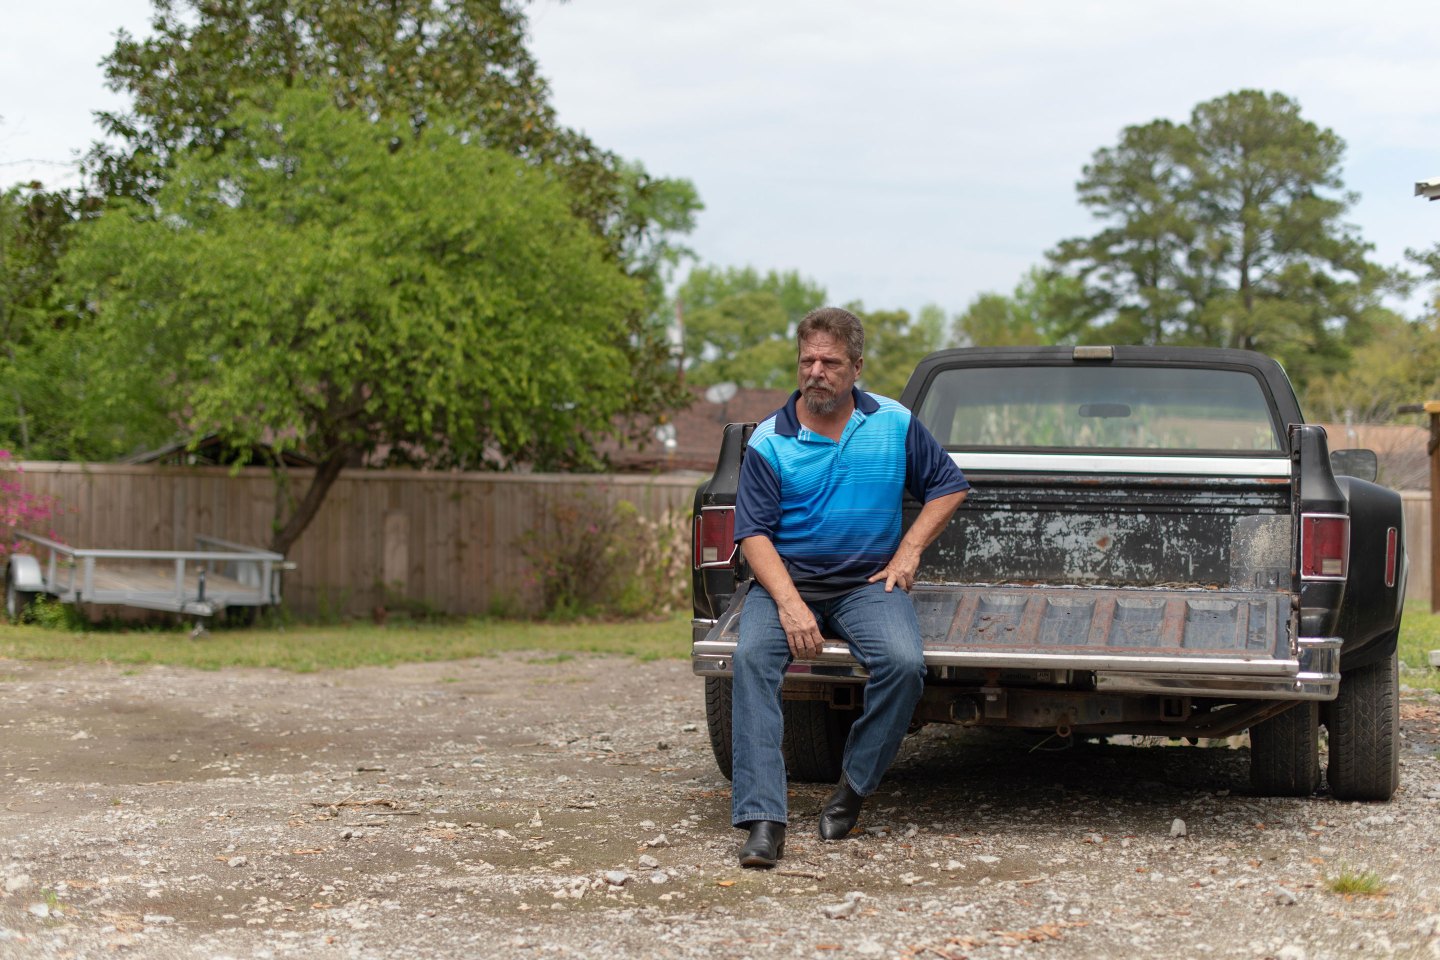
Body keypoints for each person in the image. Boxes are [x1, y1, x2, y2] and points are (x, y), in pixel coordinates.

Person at [729, 306, 969, 868]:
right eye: (807, 359)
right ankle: (764, 819)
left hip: (866, 585)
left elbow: (948, 485)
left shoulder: (894, 422)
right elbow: (753, 534)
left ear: (856, 367)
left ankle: (853, 790)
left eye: (830, 362)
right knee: (749, 661)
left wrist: (908, 552)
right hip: (786, 584)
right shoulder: (770, 440)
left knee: (904, 664)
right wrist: (789, 605)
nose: (816, 371)